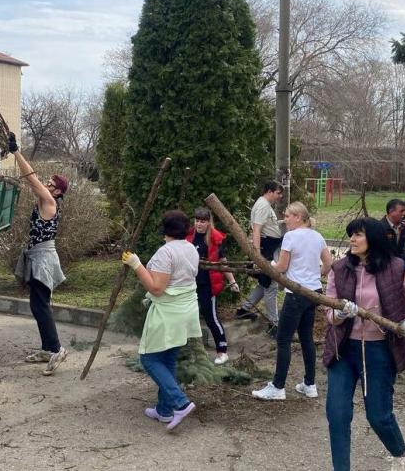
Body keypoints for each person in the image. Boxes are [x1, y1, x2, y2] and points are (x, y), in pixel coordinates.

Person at [323, 218, 405, 471]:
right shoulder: (340, 268)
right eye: (350, 235)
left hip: (379, 350)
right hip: (343, 348)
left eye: (357, 235)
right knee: (337, 414)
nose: (352, 240)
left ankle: (402, 451)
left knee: (378, 416)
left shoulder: (396, 268)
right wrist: (341, 313)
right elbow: (329, 313)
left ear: (373, 239)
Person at [121, 210, 201, 431]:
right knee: (167, 358)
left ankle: (180, 403)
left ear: (165, 230)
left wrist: (136, 265)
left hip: (169, 313)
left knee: (148, 358)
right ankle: (164, 411)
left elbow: (156, 288)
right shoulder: (191, 249)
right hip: (185, 312)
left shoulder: (165, 253)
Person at [252, 202, 332, 401]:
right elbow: (329, 263)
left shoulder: (291, 237)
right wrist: (316, 274)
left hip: (296, 293)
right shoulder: (318, 236)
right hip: (313, 292)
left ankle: (278, 387)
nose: (284, 219)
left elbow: (281, 267)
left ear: (298, 216)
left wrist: (268, 264)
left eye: (287, 216)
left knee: (283, 339)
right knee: (306, 338)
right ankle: (310, 384)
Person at [9, 134, 70, 375]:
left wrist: (16, 153)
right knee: (37, 305)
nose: (47, 184)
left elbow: (31, 180)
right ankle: (47, 347)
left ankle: (56, 349)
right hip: (38, 256)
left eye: (52, 184)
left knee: (40, 305)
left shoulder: (49, 203)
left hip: (43, 259)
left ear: (57, 192)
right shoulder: (46, 201)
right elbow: (34, 182)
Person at [187, 207, 237, 365]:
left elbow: (223, 262)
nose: (199, 224)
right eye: (197, 220)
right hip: (189, 284)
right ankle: (189, 352)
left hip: (207, 284)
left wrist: (232, 281)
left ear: (208, 222)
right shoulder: (188, 236)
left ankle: (222, 351)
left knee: (211, 318)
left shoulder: (215, 238)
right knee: (187, 317)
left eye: (202, 221)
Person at [235, 181, 284, 335]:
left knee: (265, 283)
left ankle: (244, 309)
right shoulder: (263, 205)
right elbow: (257, 230)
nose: (280, 196)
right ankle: (273, 324)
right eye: (278, 193)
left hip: (268, 246)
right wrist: (257, 253)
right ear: (269, 191)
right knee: (271, 286)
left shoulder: (264, 204)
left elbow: (267, 225)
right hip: (265, 248)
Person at [380, 199, 405, 275]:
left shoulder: (402, 227)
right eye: (401, 211)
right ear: (391, 211)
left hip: (399, 266)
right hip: (384, 269)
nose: (404, 214)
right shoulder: (379, 228)